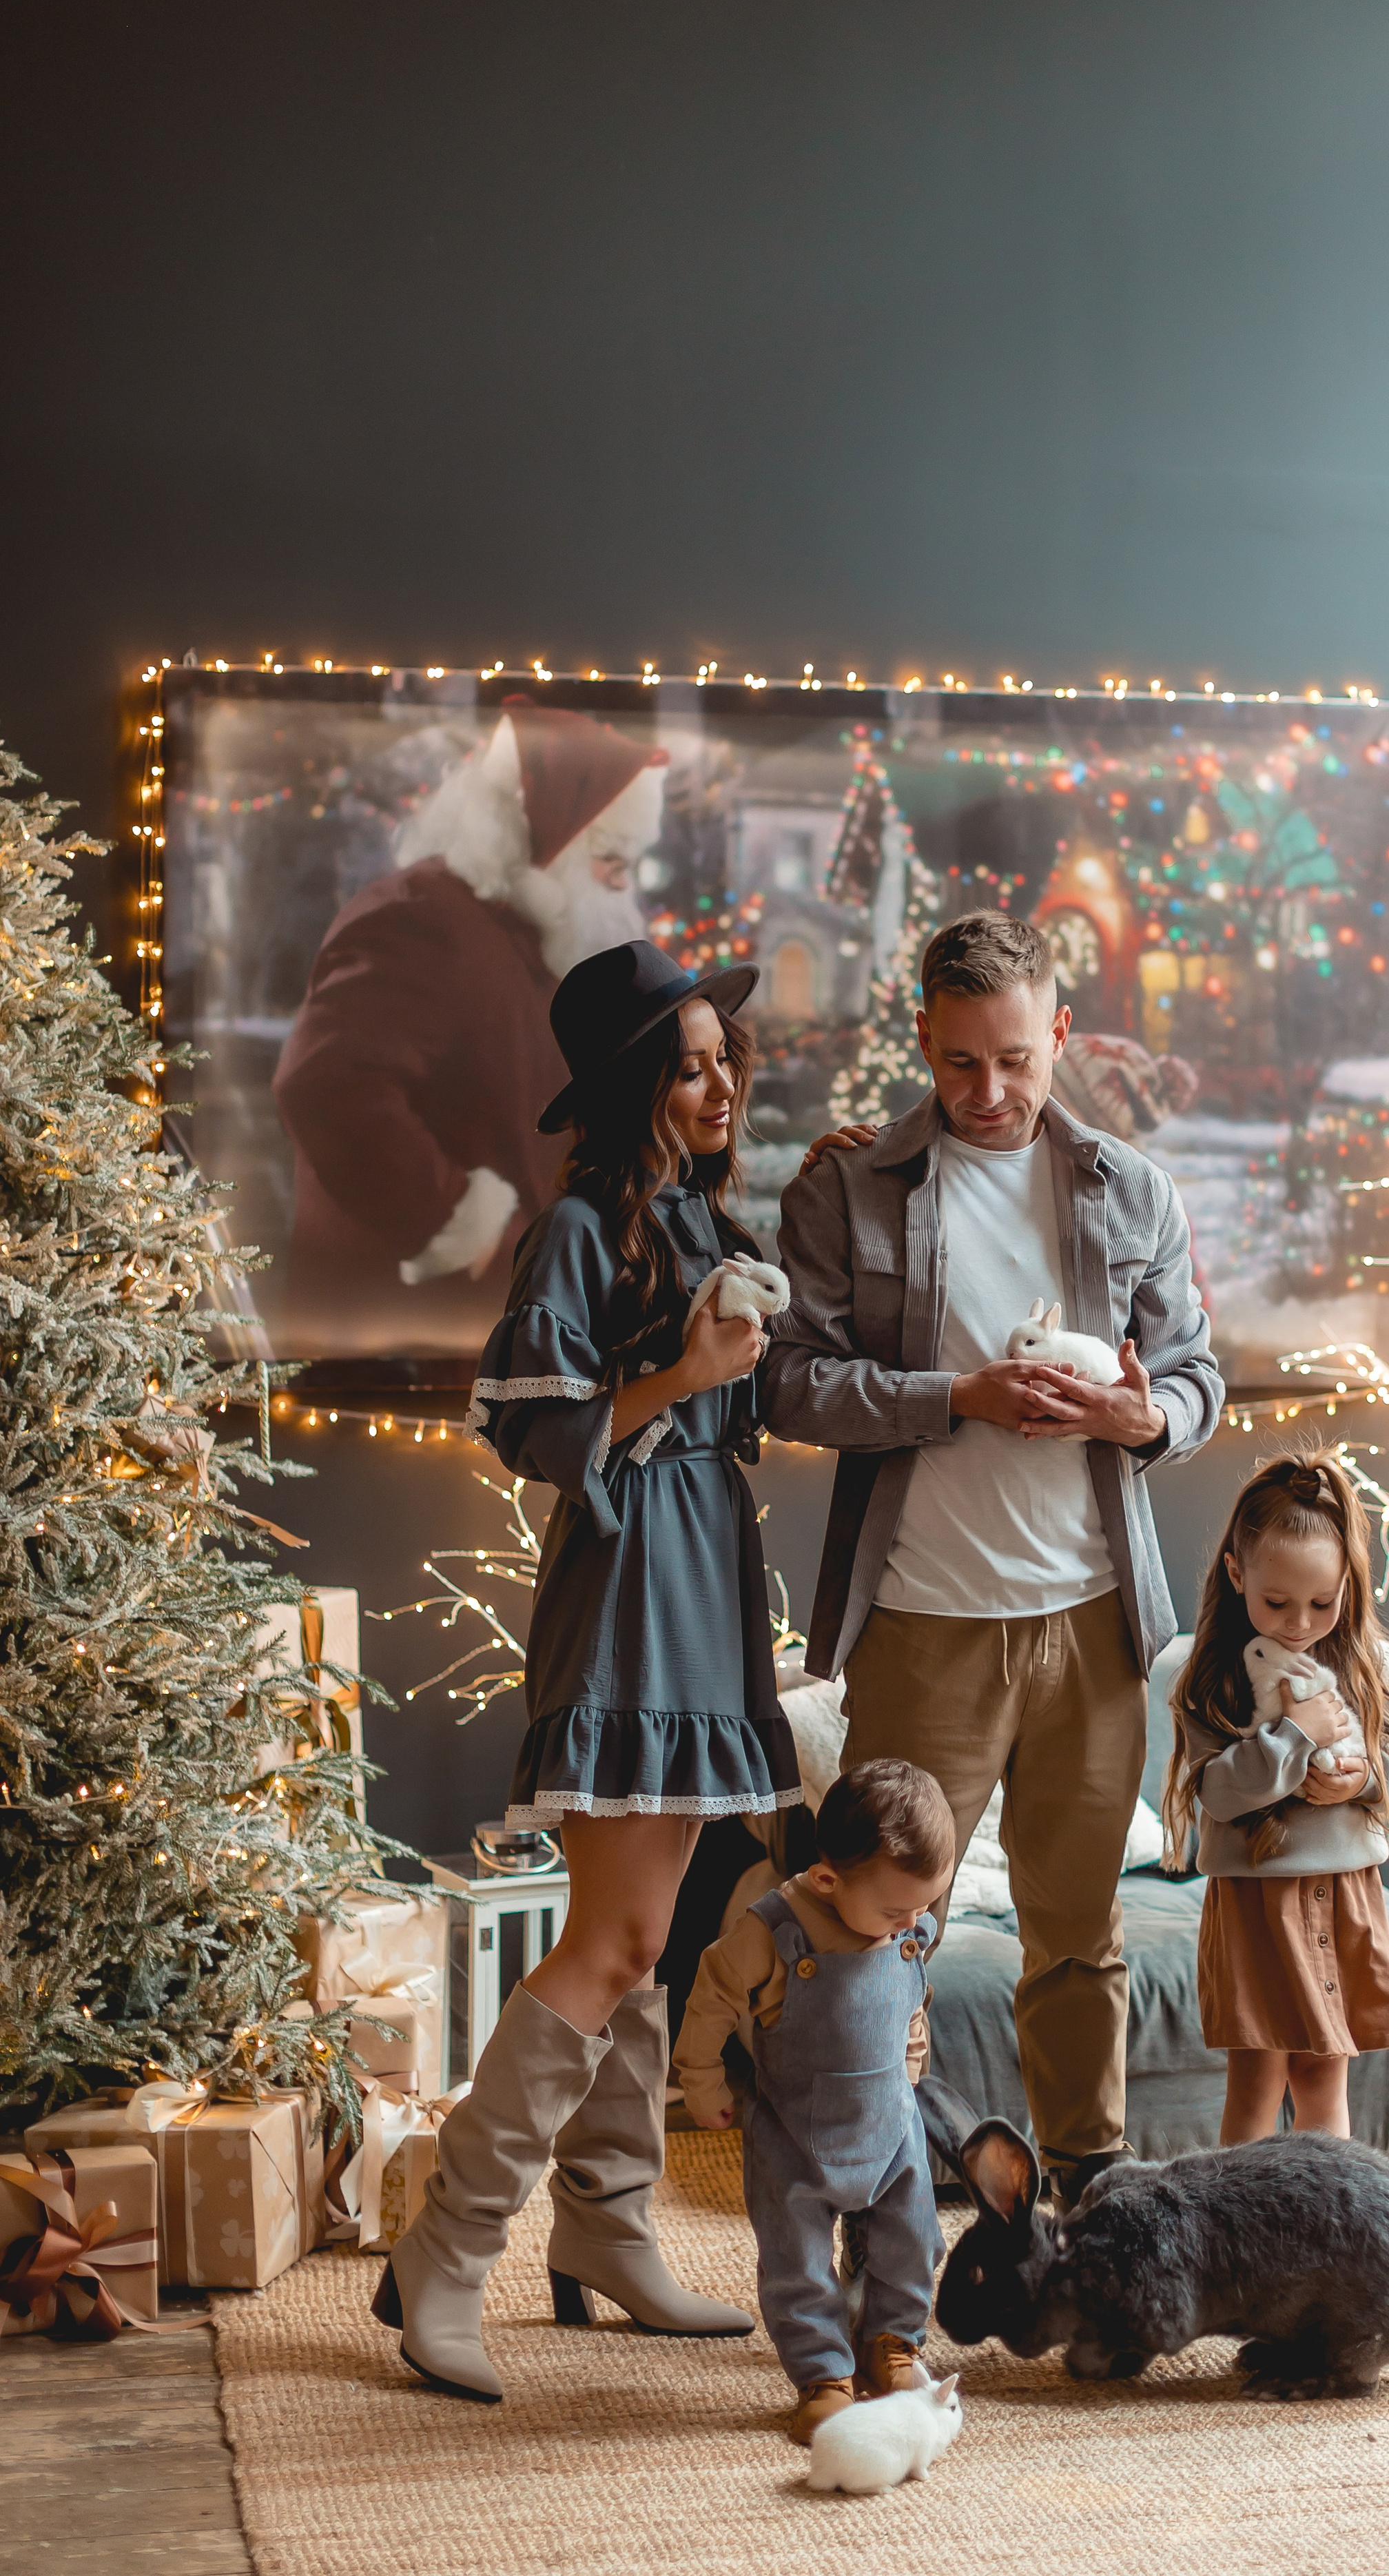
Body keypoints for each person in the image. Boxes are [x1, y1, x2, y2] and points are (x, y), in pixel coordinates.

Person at [371, 939, 802, 2403]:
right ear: (635, 1088)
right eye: (688, 1063)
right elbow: (536, 1424)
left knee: (645, 1933)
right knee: (613, 1945)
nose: (720, 1079)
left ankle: (607, 2230)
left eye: (721, 1056)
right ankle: (446, 2247)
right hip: (627, 1590)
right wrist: (685, 1375)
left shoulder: (692, 1222)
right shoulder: (579, 1231)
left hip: (695, 1578)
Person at [760, 909, 1224, 2210]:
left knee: (1079, 1942)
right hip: (921, 1623)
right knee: (872, 1938)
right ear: (922, 1036)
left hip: (1090, 1626)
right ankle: (866, 2208)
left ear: (1061, 1033)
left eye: (1016, 1059)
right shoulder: (845, 1184)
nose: (990, 1091)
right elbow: (790, 1387)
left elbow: (1195, 1377)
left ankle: (1092, 2215)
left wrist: (1148, 1419)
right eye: (961, 1062)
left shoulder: (1132, 1187)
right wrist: (956, 1397)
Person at [274, 698, 669, 1351]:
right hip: (415, 1333)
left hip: (507, 1329)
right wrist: (462, 1219)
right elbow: (327, 1083)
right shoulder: (423, 919)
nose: (624, 890)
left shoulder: (532, 931)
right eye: (612, 861)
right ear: (547, 840)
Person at [1166, 1451, 1389, 2145]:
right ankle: (1237, 2231)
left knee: (1324, 2077)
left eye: (1322, 1603)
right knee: (1256, 2079)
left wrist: (1364, 1779)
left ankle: (1328, 2226)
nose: (1298, 1623)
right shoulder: (1212, 1680)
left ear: (1348, 1584)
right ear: (1237, 1575)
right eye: (1276, 1602)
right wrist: (1293, 1738)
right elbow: (1219, 1794)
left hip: (1343, 1890)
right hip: (1254, 1902)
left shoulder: (1369, 1664)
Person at [675, 1759, 956, 2446]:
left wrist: (913, 2060)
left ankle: (893, 2343)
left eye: (925, 1905)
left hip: (890, 2126)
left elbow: (911, 1997)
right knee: (797, 2261)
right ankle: (822, 2377)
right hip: (794, 2139)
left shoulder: (907, 1920)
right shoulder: (774, 1930)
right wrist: (701, 2081)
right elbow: (711, 1998)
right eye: (896, 1910)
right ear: (829, 1879)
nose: (912, 1922)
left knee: (911, 2241)